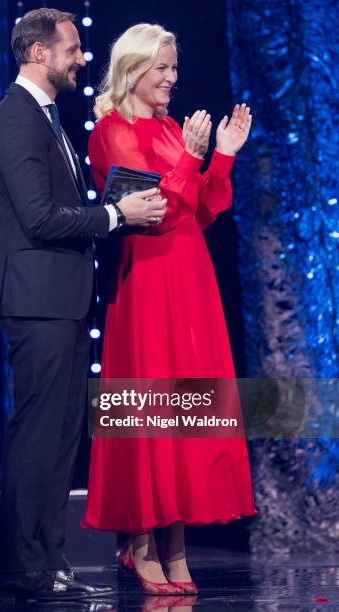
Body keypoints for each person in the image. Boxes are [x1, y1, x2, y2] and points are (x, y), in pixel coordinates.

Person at [0, 9, 166, 602]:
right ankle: (22, 569)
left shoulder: (47, 118)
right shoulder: (16, 119)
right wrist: (118, 215)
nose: (81, 58)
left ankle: (49, 562)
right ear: (39, 54)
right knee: (37, 438)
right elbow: (38, 217)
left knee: (60, 438)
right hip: (37, 304)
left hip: (62, 300)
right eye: (73, 49)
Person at [81, 23, 258, 595]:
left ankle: (176, 547)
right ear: (133, 69)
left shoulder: (167, 129)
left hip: (190, 275)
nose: (172, 79)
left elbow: (198, 210)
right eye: (162, 67)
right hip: (147, 281)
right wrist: (191, 157)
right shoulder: (110, 132)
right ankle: (139, 542)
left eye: (175, 68)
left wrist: (222, 158)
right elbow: (154, 207)